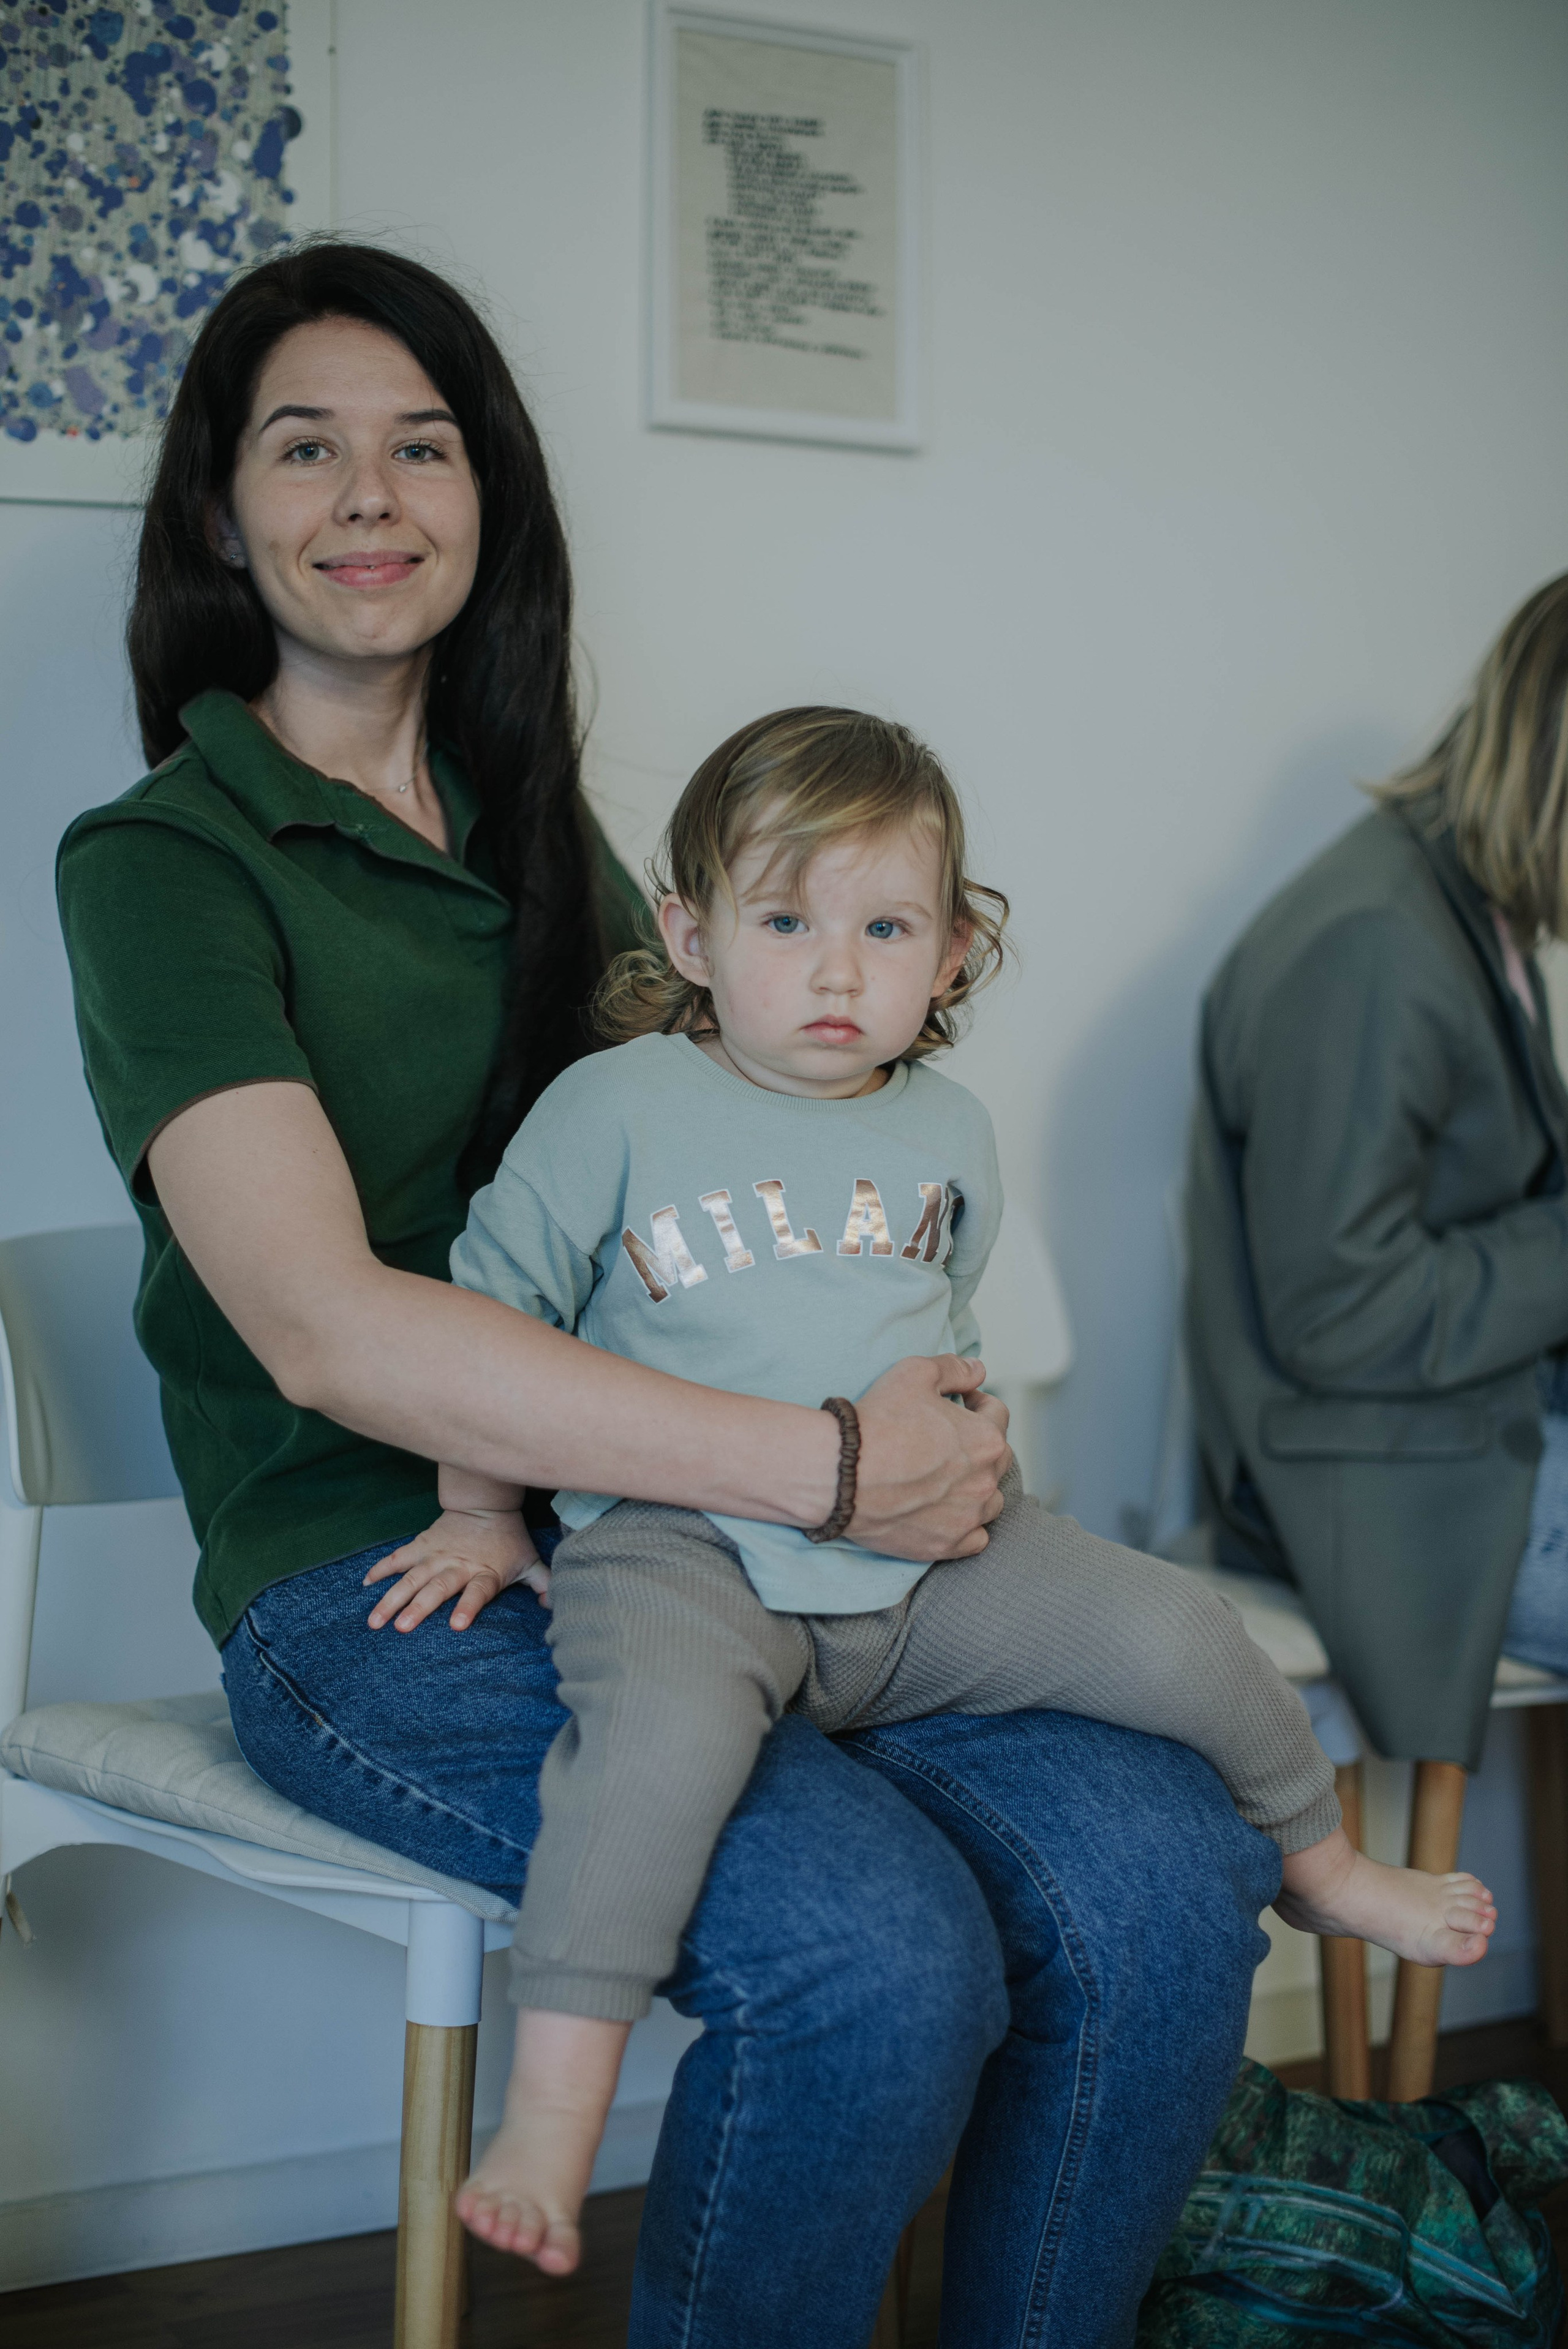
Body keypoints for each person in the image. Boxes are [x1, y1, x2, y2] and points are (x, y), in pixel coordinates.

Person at [59, 238, 1263, 2349]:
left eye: (421, 445)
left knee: (1168, 1871)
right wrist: (822, 1460)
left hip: (719, 1543)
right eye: (305, 444)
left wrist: (930, 1422)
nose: (369, 492)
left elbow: (784, 1179)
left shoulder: (580, 859)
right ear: (219, 510)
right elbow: (329, 1327)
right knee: (878, 1956)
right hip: (385, 1578)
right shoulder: (165, 859)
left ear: (489, 498)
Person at [373, 704, 1496, 2275]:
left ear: (953, 951)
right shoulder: (610, 1109)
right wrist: (484, 1512)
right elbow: (487, 1326)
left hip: (930, 1563)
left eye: (883, 925)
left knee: (1183, 1638)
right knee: (649, 1756)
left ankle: (1318, 1866)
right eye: (785, 921)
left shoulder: (946, 1128)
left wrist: (977, 1449)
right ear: (690, 934)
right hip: (683, 1548)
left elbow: (941, 1324)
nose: (836, 971)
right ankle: (556, 2109)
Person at [1188, 574, 1568, 1776]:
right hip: (1374, 1480)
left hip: (1470, 1424)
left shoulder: (1466, 909)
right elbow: (1340, 1312)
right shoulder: (1375, 944)